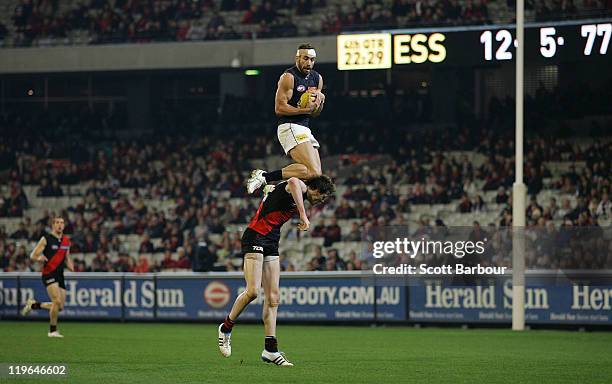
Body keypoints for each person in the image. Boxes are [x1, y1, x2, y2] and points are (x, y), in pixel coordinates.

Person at [218, 175, 335, 366]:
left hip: (271, 241)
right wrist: (303, 216)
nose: (320, 201)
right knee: (253, 291)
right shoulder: (300, 188)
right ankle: (226, 327)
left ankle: (270, 349)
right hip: (255, 236)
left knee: (273, 298)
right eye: (321, 197)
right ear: (314, 189)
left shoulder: (299, 195)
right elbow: (294, 182)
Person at [246, 43, 325, 193]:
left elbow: (314, 112)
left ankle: (273, 189)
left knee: (315, 176)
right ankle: (264, 177)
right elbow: (279, 108)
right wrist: (306, 109)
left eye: (312, 59)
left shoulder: (317, 78)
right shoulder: (289, 77)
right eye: (305, 58)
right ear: (297, 58)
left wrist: (319, 104)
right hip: (289, 126)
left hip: (305, 127)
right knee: (313, 172)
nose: (309, 63)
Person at [21, 216, 74, 338]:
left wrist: (71, 266)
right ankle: (52, 331)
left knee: (59, 307)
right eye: (57, 223)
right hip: (49, 273)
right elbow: (33, 255)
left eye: (62, 222)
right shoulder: (46, 239)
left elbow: (67, 257)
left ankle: (33, 305)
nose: (60, 225)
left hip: (60, 275)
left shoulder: (66, 241)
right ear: (53, 225)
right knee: (56, 301)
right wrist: (39, 258)